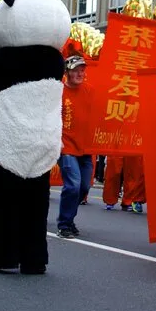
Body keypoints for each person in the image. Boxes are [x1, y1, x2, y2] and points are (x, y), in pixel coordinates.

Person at [57, 55, 94, 238]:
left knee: (84, 188)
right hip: (66, 147)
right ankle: (64, 224)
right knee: (73, 186)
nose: (80, 73)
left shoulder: (89, 90)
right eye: (76, 70)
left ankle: (69, 219)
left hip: (86, 148)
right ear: (67, 72)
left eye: (82, 70)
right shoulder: (58, 92)